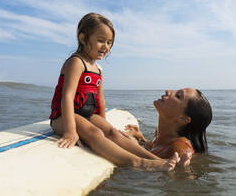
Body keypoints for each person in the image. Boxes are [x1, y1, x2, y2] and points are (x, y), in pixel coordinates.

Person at [49, 13, 181, 171]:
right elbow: (67, 96)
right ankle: (139, 163)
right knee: (95, 133)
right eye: (100, 40)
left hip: (88, 115)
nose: (105, 46)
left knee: (113, 133)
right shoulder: (76, 62)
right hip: (63, 117)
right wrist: (70, 131)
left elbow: (99, 99)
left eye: (109, 42)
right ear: (83, 38)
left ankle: (157, 159)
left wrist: (106, 127)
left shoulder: (97, 69)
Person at [124, 88, 212, 167]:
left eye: (178, 96)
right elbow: (153, 147)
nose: (168, 91)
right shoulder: (159, 134)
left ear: (183, 118)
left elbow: (184, 172)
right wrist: (140, 138)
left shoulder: (179, 148)